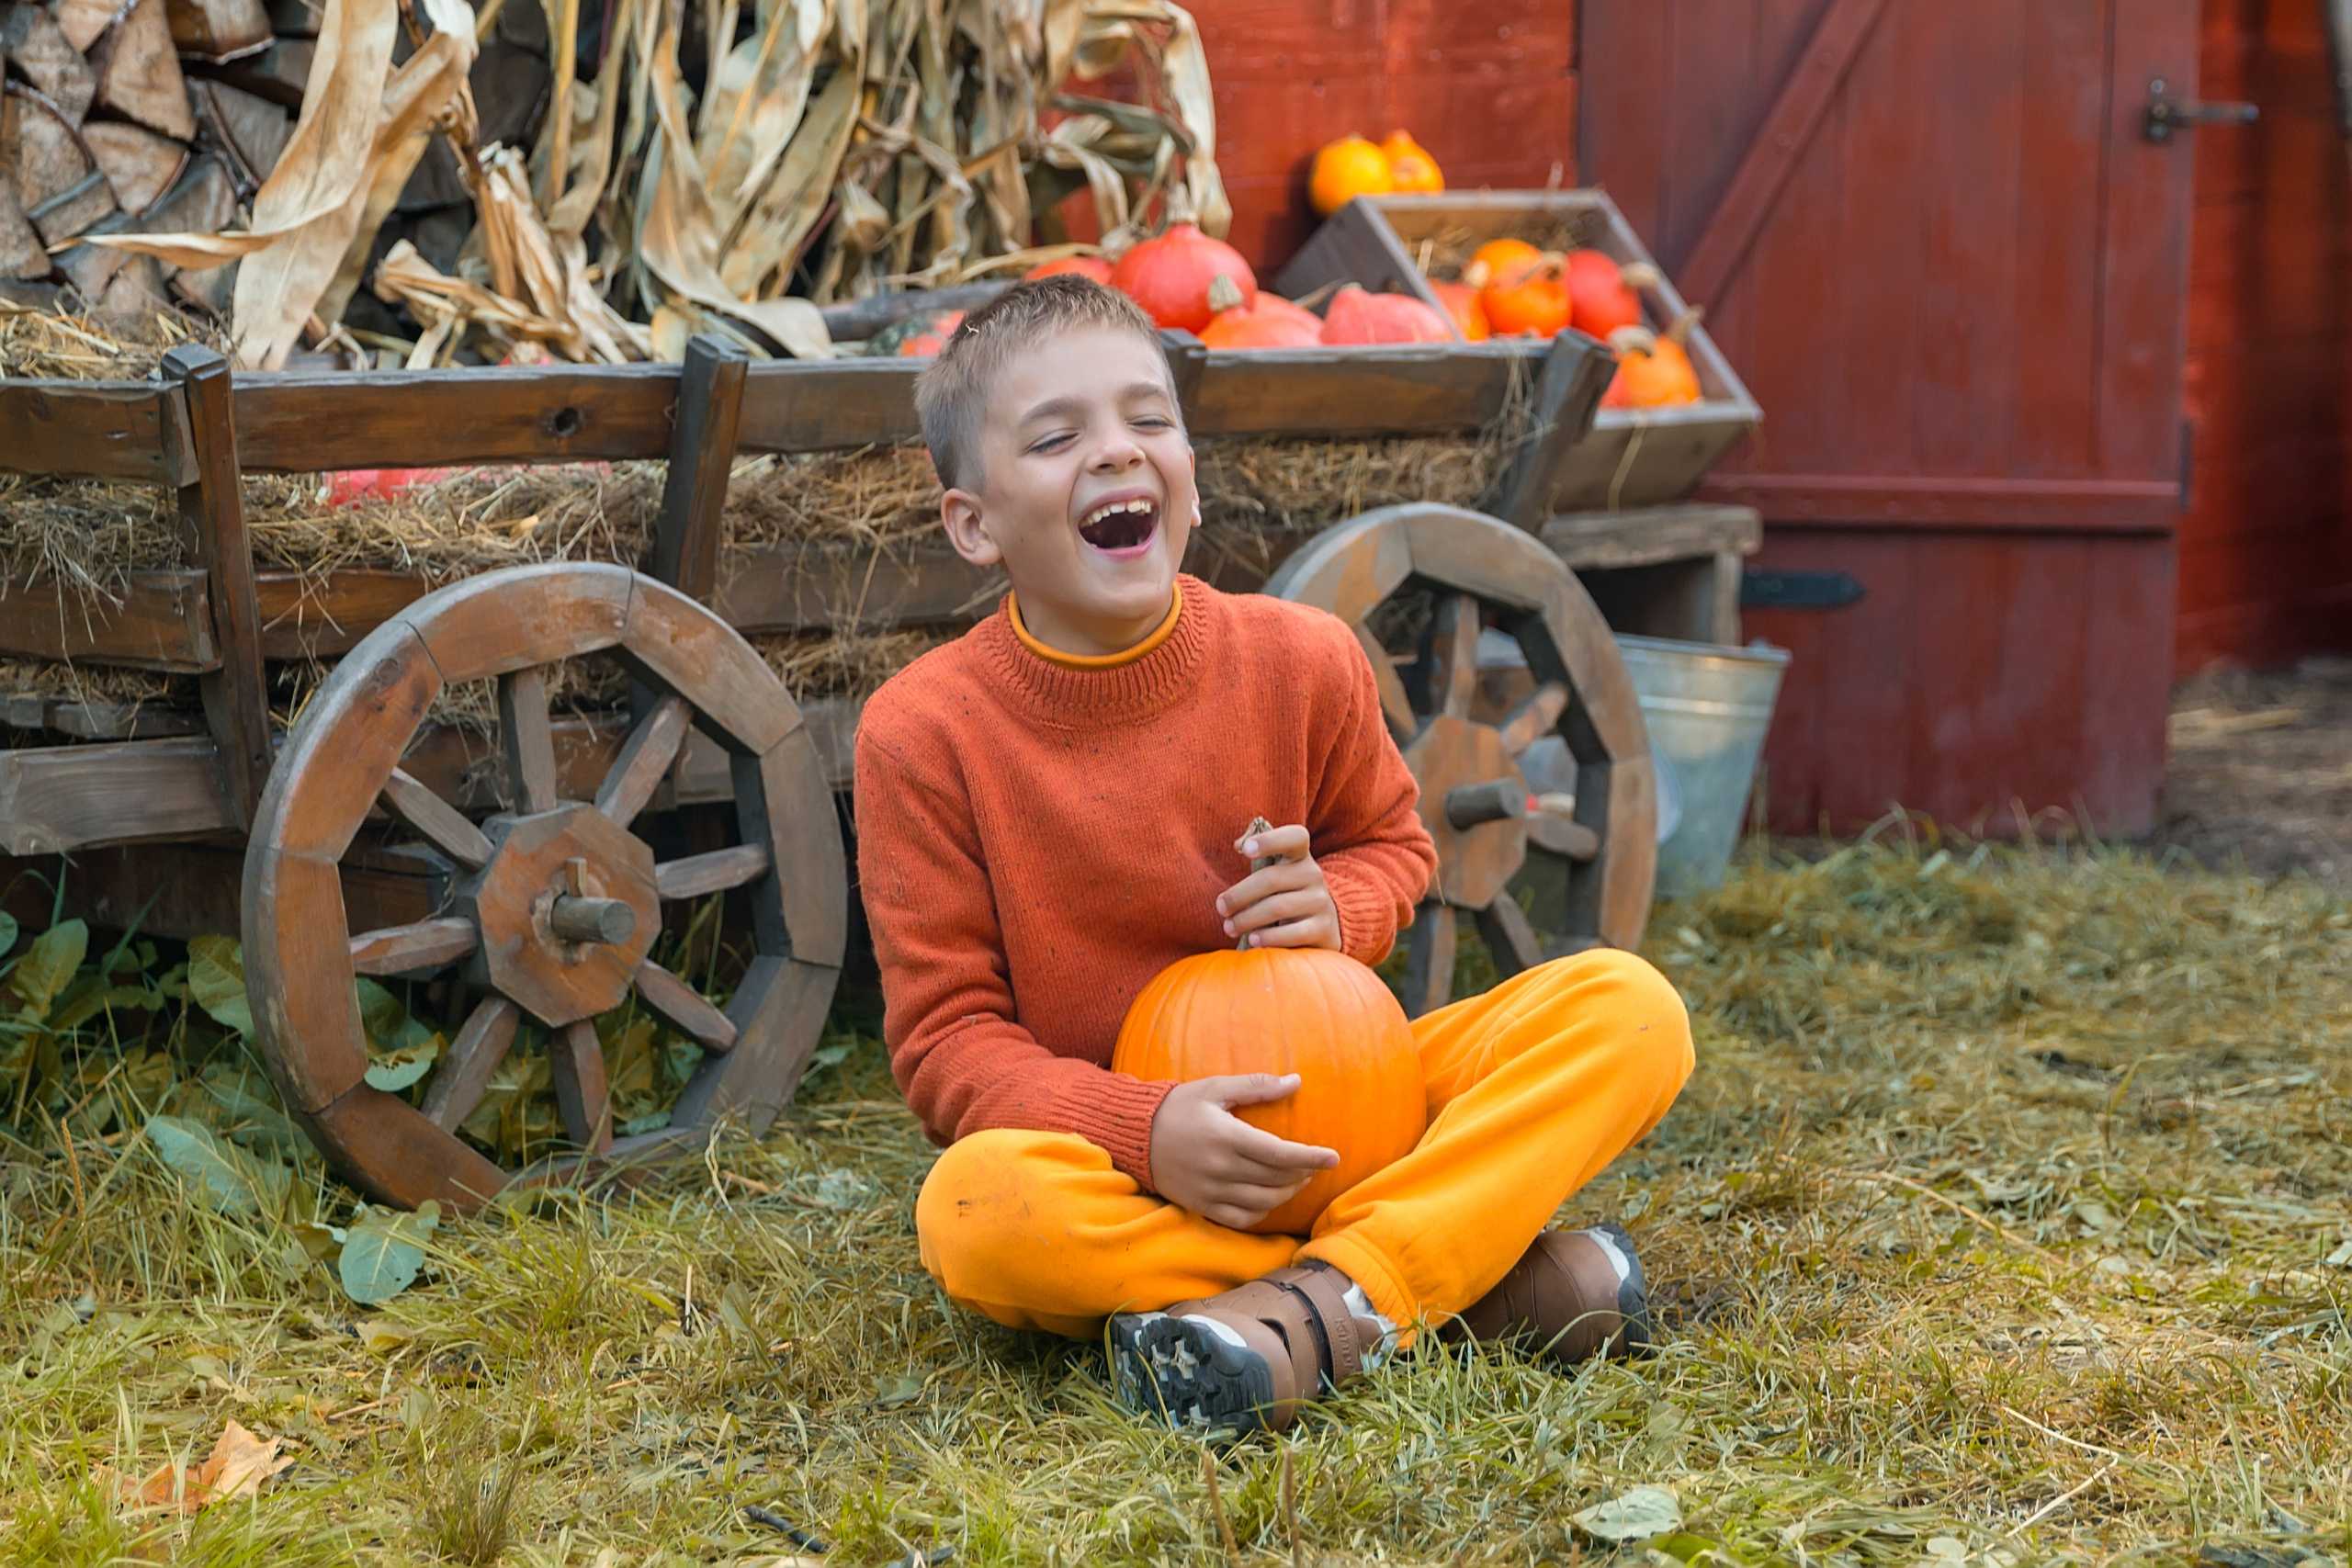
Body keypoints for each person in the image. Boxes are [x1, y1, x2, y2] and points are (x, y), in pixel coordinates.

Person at [853, 275, 1694, 1437]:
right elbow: (948, 1043)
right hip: (1131, 1167)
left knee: (1626, 1010)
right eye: (1055, 438)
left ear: (1190, 475)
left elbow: (1392, 847)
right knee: (977, 1212)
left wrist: (1338, 908)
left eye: (1148, 420)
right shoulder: (923, 732)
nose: (1116, 451)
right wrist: (1144, 1129)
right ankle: (1445, 1281)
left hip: (1350, 1106)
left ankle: (1322, 1307)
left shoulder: (1304, 659)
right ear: (974, 524)